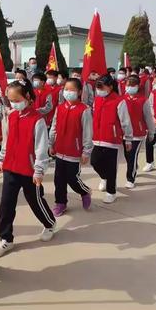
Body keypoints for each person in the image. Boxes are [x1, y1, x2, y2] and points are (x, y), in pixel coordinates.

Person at [0, 80, 56, 258]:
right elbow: (7, 139)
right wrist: (3, 159)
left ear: (27, 96)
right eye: (10, 100)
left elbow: (41, 148)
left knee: (35, 201)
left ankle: (50, 223)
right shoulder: (11, 116)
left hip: (29, 171)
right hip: (11, 168)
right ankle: (6, 239)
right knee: (6, 205)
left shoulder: (38, 120)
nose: (13, 103)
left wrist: (39, 170)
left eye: (16, 99)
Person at [49, 78, 92, 216]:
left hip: (74, 151)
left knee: (72, 179)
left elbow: (87, 132)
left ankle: (84, 191)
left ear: (79, 92)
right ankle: (60, 203)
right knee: (59, 179)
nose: (68, 92)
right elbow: (54, 127)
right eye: (66, 89)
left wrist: (86, 151)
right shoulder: (60, 107)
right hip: (60, 149)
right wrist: (51, 144)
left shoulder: (84, 110)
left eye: (72, 90)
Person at [91, 75, 133, 204]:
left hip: (112, 138)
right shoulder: (97, 99)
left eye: (102, 87)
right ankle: (104, 177)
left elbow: (125, 121)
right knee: (95, 161)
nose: (99, 90)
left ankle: (111, 191)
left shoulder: (119, 101)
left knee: (110, 166)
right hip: (97, 137)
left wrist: (128, 138)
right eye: (97, 87)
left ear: (110, 86)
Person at [122, 76, 155, 188]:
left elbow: (148, 117)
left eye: (132, 85)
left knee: (131, 155)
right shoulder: (122, 99)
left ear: (137, 87)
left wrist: (151, 132)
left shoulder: (143, 100)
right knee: (127, 156)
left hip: (137, 133)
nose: (129, 87)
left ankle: (130, 179)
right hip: (124, 133)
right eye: (128, 85)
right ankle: (134, 166)